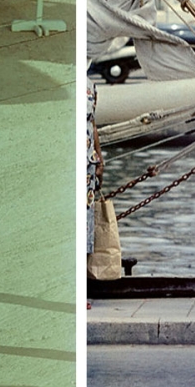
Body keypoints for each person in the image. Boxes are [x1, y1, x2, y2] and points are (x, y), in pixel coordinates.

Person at [86, 78, 104, 309]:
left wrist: (100, 158)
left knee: (86, 229)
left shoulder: (91, 86)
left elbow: (93, 124)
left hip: (88, 168)